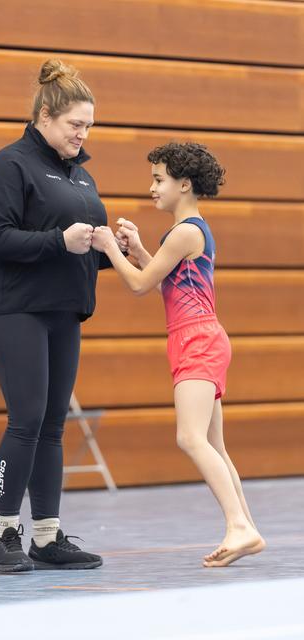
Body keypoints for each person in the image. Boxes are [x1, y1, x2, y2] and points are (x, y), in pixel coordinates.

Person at [91, 142, 266, 567]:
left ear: (183, 184)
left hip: (197, 342)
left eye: (158, 179)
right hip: (199, 337)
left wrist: (109, 247)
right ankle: (246, 526)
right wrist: (137, 250)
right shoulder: (188, 232)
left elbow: (137, 285)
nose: (152, 188)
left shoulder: (186, 231)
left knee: (189, 437)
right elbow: (167, 285)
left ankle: (238, 527)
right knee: (213, 445)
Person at [0, 59, 115, 572]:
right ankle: (3, 534)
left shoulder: (80, 177)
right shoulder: (9, 165)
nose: (82, 134)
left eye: (88, 126)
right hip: (13, 308)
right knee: (28, 419)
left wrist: (112, 249)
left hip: (61, 308)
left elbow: (79, 249)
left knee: (54, 424)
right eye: (76, 124)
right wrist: (60, 240)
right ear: (45, 116)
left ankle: (47, 537)